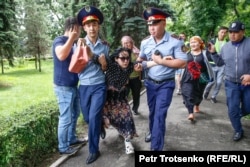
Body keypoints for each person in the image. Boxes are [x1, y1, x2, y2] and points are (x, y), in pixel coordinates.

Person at [134, 7, 187, 151]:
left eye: (155, 23)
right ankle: (153, 132)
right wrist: (138, 64)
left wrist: (161, 61)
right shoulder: (145, 42)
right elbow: (141, 58)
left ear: (164, 23)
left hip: (166, 85)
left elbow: (182, 62)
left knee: (159, 115)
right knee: (152, 113)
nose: (151, 28)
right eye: (149, 24)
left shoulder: (175, 42)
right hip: (150, 84)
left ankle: (155, 148)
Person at [77, 6, 109, 164]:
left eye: (94, 24)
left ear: (98, 26)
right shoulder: (79, 43)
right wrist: (93, 57)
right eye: (88, 25)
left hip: (99, 86)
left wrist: (103, 64)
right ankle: (100, 125)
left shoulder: (105, 46)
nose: (92, 28)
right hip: (83, 86)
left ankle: (93, 150)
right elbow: (77, 65)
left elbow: (106, 68)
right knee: (88, 118)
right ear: (84, 27)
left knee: (94, 116)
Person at [208, 21, 250, 141]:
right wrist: (213, 53)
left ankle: (239, 114)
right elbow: (220, 63)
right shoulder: (226, 47)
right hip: (231, 83)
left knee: (248, 107)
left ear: (243, 32)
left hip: (247, 84)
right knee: (232, 109)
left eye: (236, 32)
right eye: (231, 32)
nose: (232, 35)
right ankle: (238, 130)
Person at [52, 16, 87, 155]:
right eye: (79, 28)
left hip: (73, 85)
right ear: (74, 27)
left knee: (74, 114)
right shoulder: (59, 40)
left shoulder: (72, 43)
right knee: (65, 117)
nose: (79, 31)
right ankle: (63, 147)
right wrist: (72, 39)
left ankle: (71, 139)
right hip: (63, 86)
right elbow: (61, 55)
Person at [102, 47, 138, 154]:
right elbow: (97, 57)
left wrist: (159, 61)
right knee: (103, 120)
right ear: (116, 59)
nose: (126, 61)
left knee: (127, 118)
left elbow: (143, 64)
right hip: (107, 100)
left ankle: (128, 143)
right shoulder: (111, 66)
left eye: (127, 58)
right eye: (122, 58)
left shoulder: (130, 67)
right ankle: (101, 129)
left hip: (121, 99)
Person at [180, 36, 214, 121]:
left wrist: (214, 52)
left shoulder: (205, 53)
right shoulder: (187, 53)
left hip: (201, 77)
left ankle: (197, 105)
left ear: (200, 43)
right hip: (187, 77)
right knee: (188, 93)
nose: (193, 44)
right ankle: (190, 112)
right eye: (191, 42)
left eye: (195, 42)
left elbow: (215, 60)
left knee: (199, 94)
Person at [203, 26, 228, 103]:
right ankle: (205, 93)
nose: (223, 34)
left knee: (219, 82)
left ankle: (213, 97)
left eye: (225, 32)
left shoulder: (228, 43)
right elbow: (207, 53)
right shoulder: (212, 41)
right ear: (218, 32)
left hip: (222, 65)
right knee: (212, 81)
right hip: (212, 65)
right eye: (222, 32)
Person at [121, 35, 142, 115]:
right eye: (124, 43)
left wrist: (140, 76)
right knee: (124, 94)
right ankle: (125, 110)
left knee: (136, 94)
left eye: (128, 43)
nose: (126, 45)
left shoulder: (136, 52)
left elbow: (140, 63)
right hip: (124, 78)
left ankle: (135, 108)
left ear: (132, 43)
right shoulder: (120, 53)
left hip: (135, 77)